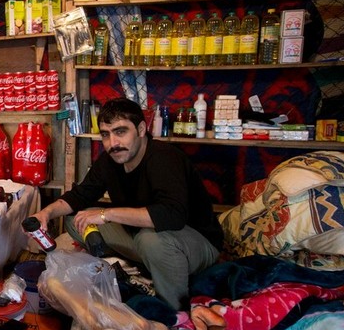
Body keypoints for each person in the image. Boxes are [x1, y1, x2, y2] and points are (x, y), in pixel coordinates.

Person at [25, 97, 221, 310]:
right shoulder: (110, 161)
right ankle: (130, 267)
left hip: (194, 244)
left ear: (141, 129)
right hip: (142, 236)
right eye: (105, 135)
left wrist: (106, 215)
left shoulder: (165, 158)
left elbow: (172, 215)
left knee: (150, 240)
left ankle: (173, 312)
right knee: (77, 218)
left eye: (121, 132)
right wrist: (45, 213)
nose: (113, 143)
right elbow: (79, 195)